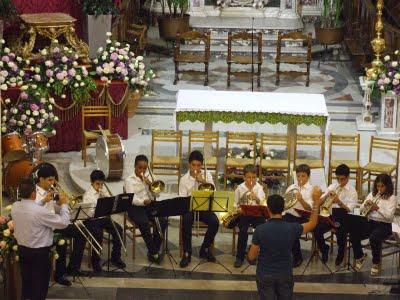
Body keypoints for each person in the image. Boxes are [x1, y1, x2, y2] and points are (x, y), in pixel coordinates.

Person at [248, 190, 323, 300]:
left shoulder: (260, 230)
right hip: (285, 274)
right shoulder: (292, 228)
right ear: (283, 209)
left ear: (268, 209)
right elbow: (312, 223)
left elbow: (251, 257)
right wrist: (316, 203)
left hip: (265, 274)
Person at [12, 178, 70, 300]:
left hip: (23, 251)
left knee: (27, 286)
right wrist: (64, 204)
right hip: (39, 254)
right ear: (33, 193)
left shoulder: (15, 206)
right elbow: (64, 222)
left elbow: (30, 210)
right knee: (39, 288)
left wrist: (43, 201)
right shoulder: (40, 212)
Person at [34, 162, 86, 285]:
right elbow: (34, 211)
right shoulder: (35, 193)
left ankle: (73, 267)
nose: (52, 183)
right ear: (41, 179)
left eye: (53, 180)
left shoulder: (50, 189)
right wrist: (44, 201)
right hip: (45, 227)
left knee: (81, 233)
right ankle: (59, 275)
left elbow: (54, 209)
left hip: (55, 222)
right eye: (49, 180)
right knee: (62, 243)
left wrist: (61, 203)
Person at [349, 173, 397, 276]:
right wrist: (365, 205)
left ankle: (376, 263)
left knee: (374, 238)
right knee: (353, 232)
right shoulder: (372, 194)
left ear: (387, 186)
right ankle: (360, 256)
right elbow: (361, 210)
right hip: (370, 221)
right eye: (377, 186)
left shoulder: (392, 198)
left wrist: (377, 208)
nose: (379, 189)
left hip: (384, 225)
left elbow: (389, 217)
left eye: (382, 186)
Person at [178, 150, 219, 268]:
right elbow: (182, 199)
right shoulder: (184, 179)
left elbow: (213, 192)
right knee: (186, 221)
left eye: (199, 165)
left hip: (204, 208)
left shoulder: (207, 175)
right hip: (190, 209)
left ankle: (205, 249)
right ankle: (187, 253)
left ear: (202, 165)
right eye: (193, 165)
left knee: (215, 222)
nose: (196, 168)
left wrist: (202, 182)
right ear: (189, 165)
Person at [124, 154, 167, 264]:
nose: (142, 170)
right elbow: (132, 199)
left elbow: (157, 196)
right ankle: (153, 252)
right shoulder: (129, 180)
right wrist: (143, 201)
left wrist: (150, 184)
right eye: (140, 167)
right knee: (144, 223)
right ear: (135, 166)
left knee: (162, 221)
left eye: (144, 168)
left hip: (148, 205)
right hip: (135, 207)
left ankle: (154, 250)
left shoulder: (150, 176)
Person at [83, 170, 126, 272]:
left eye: (102, 184)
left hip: (103, 218)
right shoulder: (88, 195)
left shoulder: (103, 190)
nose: (100, 186)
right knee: (98, 234)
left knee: (118, 230)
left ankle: (115, 257)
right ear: (92, 182)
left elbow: (111, 202)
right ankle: (95, 261)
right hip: (92, 220)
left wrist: (108, 200)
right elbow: (87, 213)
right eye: (98, 184)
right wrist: (99, 209)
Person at [316, 164, 358, 265]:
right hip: (329, 215)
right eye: (338, 179)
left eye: (342, 179)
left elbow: (349, 209)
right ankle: (324, 249)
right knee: (316, 228)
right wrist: (326, 195)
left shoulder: (352, 192)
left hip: (343, 218)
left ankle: (341, 252)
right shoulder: (332, 186)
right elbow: (320, 202)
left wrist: (339, 201)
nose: (339, 182)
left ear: (348, 177)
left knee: (340, 232)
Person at [233, 164, 266, 268]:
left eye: (253, 177)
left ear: (256, 177)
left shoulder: (259, 188)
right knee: (243, 230)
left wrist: (256, 198)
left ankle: (253, 254)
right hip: (244, 214)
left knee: (260, 230)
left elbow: (263, 203)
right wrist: (238, 208)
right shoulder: (240, 188)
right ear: (244, 177)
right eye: (248, 177)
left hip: (257, 214)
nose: (251, 180)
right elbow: (235, 204)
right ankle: (240, 257)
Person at [282, 164, 314, 267]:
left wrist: (301, 200)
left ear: (308, 177)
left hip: (303, 217)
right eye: (298, 176)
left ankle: (297, 257)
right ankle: (282, 255)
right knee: (277, 227)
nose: (300, 178)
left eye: (303, 176)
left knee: (292, 230)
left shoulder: (311, 189)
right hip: (289, 214)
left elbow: (310, 209)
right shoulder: (292, 187)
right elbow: (285, 203)